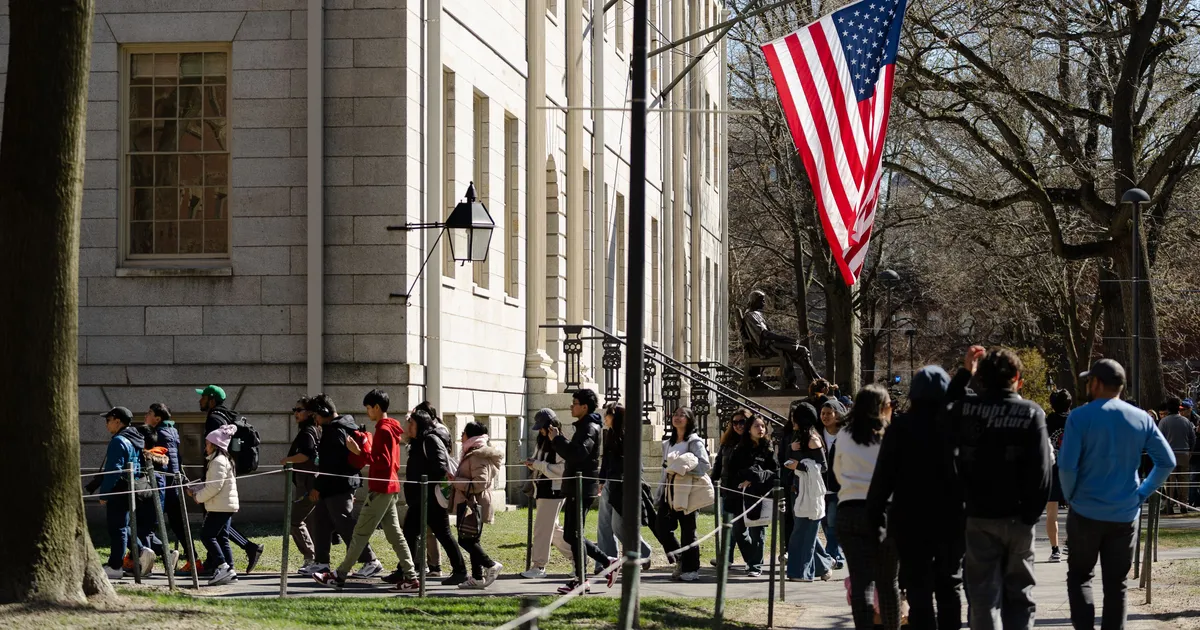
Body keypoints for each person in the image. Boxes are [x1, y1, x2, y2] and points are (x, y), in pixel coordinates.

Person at [1059, 359, 1174, 630]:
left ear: (1096, 384)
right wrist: (1141, 493)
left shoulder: (1080, 416)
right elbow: (1166, 461)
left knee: (1080, 577)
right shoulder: (1141, 418)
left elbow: (1066, 465)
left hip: (1085, 511)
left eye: (1089, 381)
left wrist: (1071, 495)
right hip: (1124, 513)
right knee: (1116, 586)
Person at [867, 352, 977, 630]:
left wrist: (875, 518)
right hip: (950, 519)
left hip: (909, 519)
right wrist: (966, 373)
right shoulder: (953, 425)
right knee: (949, 585)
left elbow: (883, 478)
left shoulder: (900, 428)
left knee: (918, 588)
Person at [946, 348, 1051, 630]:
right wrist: (1031, 513)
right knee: (1019, 594)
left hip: (978, 514)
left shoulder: (965, 410)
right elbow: (1042, 470)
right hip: (1018, 516)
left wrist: (965, 372)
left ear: (981, 379)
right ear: (1017, 378)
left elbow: (945, 407)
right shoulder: (1031, 413)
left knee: (982, 596)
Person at [313, 390, 420, 591]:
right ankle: (411, 578)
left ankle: (339, 575)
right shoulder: (390, 428)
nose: (368, 412)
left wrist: (360, 452)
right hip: (390, 487)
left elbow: (383, 462)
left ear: (377, 407)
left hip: (381, 488)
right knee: (395, 534)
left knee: (360, 533)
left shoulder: (383, 430)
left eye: (369, 408)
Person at [834, 385, 901, 630]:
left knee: (861, 581)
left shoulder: (844, 434)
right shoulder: (889, 434)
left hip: (849, 510)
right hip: (884, 512)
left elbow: (838, 472)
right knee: (888, 583)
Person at [549, 388, 620, 594]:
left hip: (582, 487)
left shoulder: (589, 427)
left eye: (575, 403)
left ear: (585, 407)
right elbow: (576, 452)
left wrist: (557, 439)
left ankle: (584, 578)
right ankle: (604, 563)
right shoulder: (585, 426)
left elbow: (578, 454)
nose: (571, 406)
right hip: (576, 486)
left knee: (574, 534)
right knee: (572, 535)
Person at [305, 393, 381, 579]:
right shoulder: (343, 426)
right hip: (335, 485)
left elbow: (330, 465)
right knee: (320, 521)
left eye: (315, 414)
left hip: (338, 485)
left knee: (345, 524)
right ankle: (321, 562)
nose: (314, 419)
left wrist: (318, 486)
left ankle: (370, 561)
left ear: (323, 412)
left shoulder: (333, 430)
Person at [196, 384, 264, 573]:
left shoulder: (214, 419)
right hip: (227, 473)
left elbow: (216, 447)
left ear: (211, 399)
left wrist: (206, 481)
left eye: (203, 397)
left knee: (214, 526)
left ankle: (221, 564)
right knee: (218, 526)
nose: (199, 400)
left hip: (218, 475)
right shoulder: (226, 416)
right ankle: (226, 562)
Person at [402, 408, 469, 585]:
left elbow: (440, 467)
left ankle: (460, 571)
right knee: (408, 532)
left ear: (420, 425)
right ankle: (404, 570)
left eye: (412, 423)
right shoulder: (417, 442)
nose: (408, 426)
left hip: (431, 499)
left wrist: (425, 481)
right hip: (418, 500)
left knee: (443, 534)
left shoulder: (431, 440)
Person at [94, 407, 157, 580]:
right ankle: (143, 550)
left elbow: (114, 470)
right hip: (131, 489)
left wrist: (104, 494)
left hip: (118, 490)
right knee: (124, 527)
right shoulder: (134, 439)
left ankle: (115, 566)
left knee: (117, 529)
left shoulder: (119, 441)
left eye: (108, 420)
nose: (106, 424)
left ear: (117, 421)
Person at [656, 406, 713, 583]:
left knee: (689, 531)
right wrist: (660, 492)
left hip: (688, 493)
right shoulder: (668, 443)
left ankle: (691, 568)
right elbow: (665, 471)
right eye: (675, 414)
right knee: (661, 528)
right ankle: (680, 558)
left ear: (689, 420)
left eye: (682, 415)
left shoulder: (694, 441)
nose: (677, 417)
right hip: (669, 493)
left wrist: (683, 469)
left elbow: (704, 465)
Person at [595, 403, 652, 571]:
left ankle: (644, 552)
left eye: (608, 414)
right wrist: (602, 479)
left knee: (618, 525)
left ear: (616, 416)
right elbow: (606, 458)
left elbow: (635, 464)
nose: (605, 417)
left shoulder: (628, 435)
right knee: (603, 524)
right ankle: (607, 561)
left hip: (623, 485)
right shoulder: (609, 434)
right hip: (609, 483)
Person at [451, 421, 505, 589]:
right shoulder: (474, 453)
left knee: (465, 540)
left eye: (463, 433)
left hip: (473, 504)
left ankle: (490, 565)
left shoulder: (476, 455)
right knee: (472, 539)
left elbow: (480, 482)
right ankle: (477, 578)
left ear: (471, 436)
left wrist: (455, 481)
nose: (461, 437)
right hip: (472, 503)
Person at [521, 409, 574, 579]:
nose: (541, 431)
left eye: (542, 427)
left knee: (543, 530)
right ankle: (578, 557)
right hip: (545, 490)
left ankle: (539, 566)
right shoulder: (544, 442)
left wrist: (537, 465)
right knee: (554, 531)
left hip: (553, 491)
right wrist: (535, 464)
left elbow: (562, 470)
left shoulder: (559, 443)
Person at [784, 402, 834, 582]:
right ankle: (825, 563)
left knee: (803, 531)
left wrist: (800, 465)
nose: (792, 420)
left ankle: (801, 572)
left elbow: (823, 466)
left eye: (794, 417)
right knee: (804, 529)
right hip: (796, 487)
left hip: (809, 490)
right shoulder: (798, 437)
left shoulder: (813, 439)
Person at [144, 403, 194, 575]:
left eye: (149, 413)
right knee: (178, 524)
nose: (146, 415)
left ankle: (144, 560)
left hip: (163, 483)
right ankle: (193, 559)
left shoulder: (158, 434)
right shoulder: (172, 432)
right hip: (174, 482)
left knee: (148, 523)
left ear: (157, 418)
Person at [189, 424, 240, 586]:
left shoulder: (218, 461)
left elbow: (214, 487)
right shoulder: (222, 459)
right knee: (221, 537)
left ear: (215, 445)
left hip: (220, 506)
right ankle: (229, 569)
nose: (205, 446)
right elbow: (212, 483)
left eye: (207, 443)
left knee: (207, 535)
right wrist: (197, 489)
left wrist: (198, 496)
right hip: (225, 505)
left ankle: (223, 566)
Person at [741, 289, 821, 389]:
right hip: (763, 349)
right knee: (802, 350)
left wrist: (785, 339)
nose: (764, 303)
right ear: (754, 300)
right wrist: (784, 338)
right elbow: (764, 334)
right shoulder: (750, 315)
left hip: (770, 345)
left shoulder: (757, 314)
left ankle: (814, 382)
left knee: (802, 351)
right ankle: (814, 382)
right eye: (762, 300)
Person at [731, 413, 778, 578]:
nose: (761, 429)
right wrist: (749, 476)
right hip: (740, 495)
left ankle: (755, 565)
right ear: (749, 429)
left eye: (763, 426)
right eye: (757, 426)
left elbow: (774, 472)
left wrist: (754, 477)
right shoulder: (740, 449)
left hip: (760, 495)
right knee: (738, 531)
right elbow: (735, 470)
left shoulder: (769, 448)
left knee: (758, 531)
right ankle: (750, 559)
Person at [281, 397, 322, 575]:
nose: (296, 413)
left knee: (294, 520)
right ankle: (318, 560)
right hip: (312, 483)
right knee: (311, 523)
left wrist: (286, 460)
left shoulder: (307, 432)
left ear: (310, 413)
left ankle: (310, 557)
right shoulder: (317, 430)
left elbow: (306, 455)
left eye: (299, 410)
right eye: (294, 410)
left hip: (308, 485)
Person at [414, 400, 454, 576]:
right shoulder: (439, 431)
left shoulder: (434, 434)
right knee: (430, 530)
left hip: (434, 488)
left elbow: (438, 464)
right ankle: (422, 564)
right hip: (429, 487)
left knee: (436, 531)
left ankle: (435, 566)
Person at [710, 409, 751, 568]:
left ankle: (753, 559)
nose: (739, 426)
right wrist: (713, 480)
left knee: (739, 529)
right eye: (735, 422)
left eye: (742, 422)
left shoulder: (752, 442)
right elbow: (719, 463)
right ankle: (726, 558)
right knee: (728, 526)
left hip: (744, 491)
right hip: (727, 489)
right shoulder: (727, 443)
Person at [819, 399, 847, 570]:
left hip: (839, 487)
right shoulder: (817, 434)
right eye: (823, 413)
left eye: (829, 413)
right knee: (825, 523)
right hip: (820, 487)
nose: (825, 417)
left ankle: (832, 557)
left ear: (837, 415)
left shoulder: (845, 434)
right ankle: (838, 554)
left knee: (832, 523)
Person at [1046, 389, 1073, 562]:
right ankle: (1070, 544)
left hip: (1052, 468)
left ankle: (1055, 549)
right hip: (1073, 469)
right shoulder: (1076, 419)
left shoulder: (1048, 421)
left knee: (1051, 512)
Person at [1157, 397, 1195, 514]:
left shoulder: (1164, 422)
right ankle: (1183, 505)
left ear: (1168, 408)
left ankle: (1169, 505)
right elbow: (1192, 438)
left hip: (1169, 454)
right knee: (1184, 481)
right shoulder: (1186, 421)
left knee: (1170, 482)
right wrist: (1190, 452)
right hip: (1184, 453)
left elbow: (1159, 439)